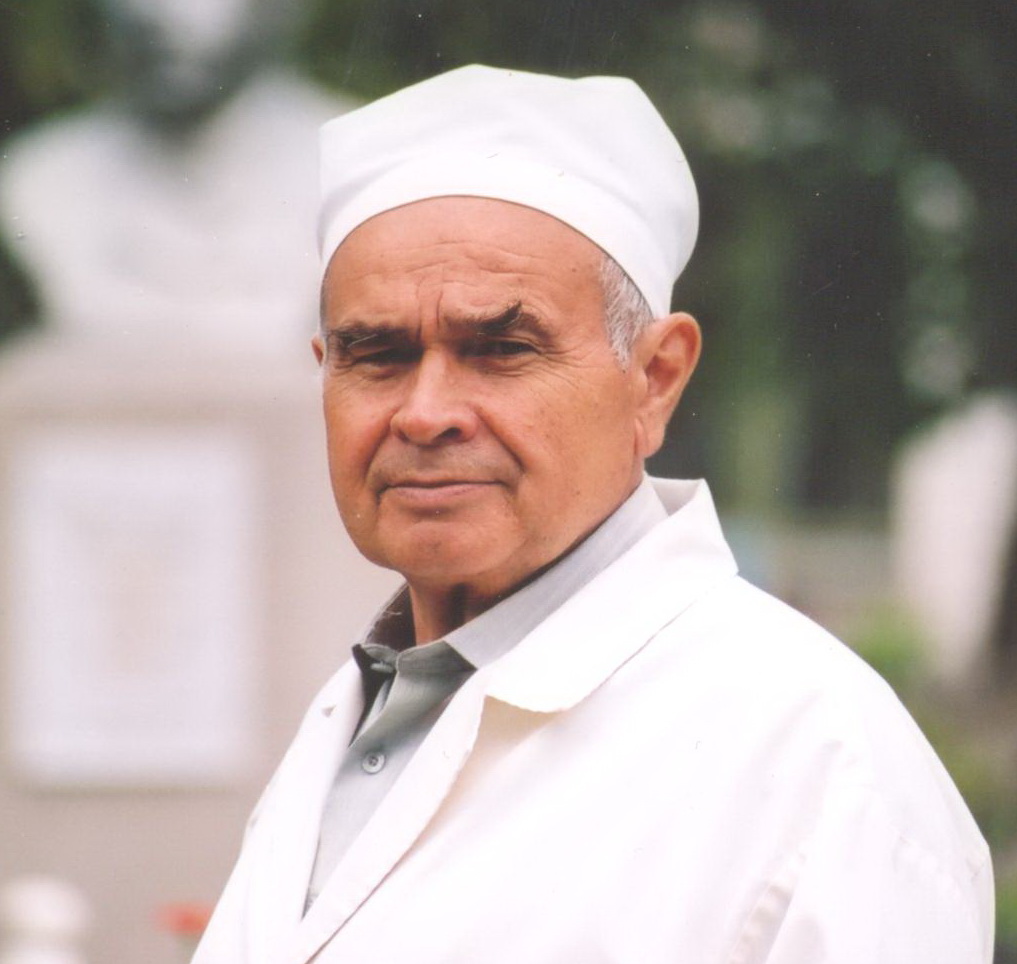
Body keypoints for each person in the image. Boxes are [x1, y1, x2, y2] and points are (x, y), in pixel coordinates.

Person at [192, 65, 994, 964]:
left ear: (654, 380)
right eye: (377, 355)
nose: (424, 413)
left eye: (500, 349)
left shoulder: (816, 768)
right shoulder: (368, 706)